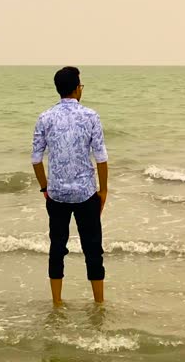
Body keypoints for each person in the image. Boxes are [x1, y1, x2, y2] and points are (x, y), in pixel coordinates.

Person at [31, 66, 109, 306]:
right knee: (93, 249)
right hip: (86, 193)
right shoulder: (90, 116)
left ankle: (57, 302)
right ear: (76, 89)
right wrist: (103, 190)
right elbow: (101, 158)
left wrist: (45, 188)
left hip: (57, 195)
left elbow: (36, 159)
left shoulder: (45, 117)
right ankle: (98, 303)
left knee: (57, 248)